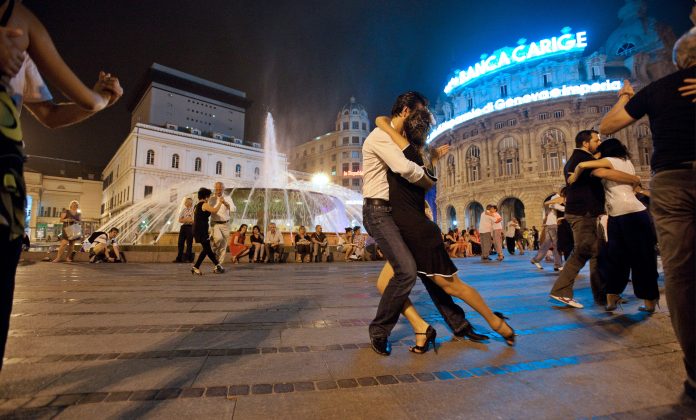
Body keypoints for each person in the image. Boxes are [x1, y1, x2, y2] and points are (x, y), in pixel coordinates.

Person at [0, 1, 123, 371]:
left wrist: (98, 100)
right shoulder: (16, 19)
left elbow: (51, 114)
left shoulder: (15, 18)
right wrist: (103, 97)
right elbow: (89, 100)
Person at [599, 30, 696, 400]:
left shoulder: (661, 88)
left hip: (671, 180)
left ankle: (695, 373)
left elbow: (607, 125)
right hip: (663, 185)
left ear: (675, 61)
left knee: (681, 274)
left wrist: (625, 96)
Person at [374, 108, 515, 353]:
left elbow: (383, 122)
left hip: (415, 233)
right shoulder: (423, 158)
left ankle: (495, 321)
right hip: (411, 232)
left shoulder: (407, 153)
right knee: (385, 284)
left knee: (452, 286)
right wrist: (434, 155)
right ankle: (421, 327)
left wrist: (385, 123)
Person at [363, 91, 485, 356]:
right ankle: (380, 329)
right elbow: (405, 169)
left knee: (427, 271)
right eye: (418, 115)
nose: (422, 122)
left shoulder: (401, 137)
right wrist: (429, 176)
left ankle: (452, 324)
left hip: (402, 214)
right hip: (379, 212)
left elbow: (411, 169)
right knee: (407, 271)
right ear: (405, 112)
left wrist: (430, 160)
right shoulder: (381, 136)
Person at [548, 130, 640, 309]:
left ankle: (603, 295)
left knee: (597, 253)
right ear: (585, 143)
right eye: (596, 141)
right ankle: (561, 291)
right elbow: (604, 174)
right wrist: (633, 179)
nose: (599, 143)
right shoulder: (580, 160)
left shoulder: (577, 158)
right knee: (582, 252)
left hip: (586, 212)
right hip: (584, 213)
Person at [568, 138, 659, 312]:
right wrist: (635, 178)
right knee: (637, 258)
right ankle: (626, 298)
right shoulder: (626, 163)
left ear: (606, 150)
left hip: (629, 214)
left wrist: (578, 169)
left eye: (599, 150)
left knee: (619, 258)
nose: (597, 154)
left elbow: (599, 172)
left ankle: (619, 298)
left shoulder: (611, 161)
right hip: (627, 215)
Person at [191, 187, 225, 275]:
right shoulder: (204, 204)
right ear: (206, 196)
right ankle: (217, 265)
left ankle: (198, 267)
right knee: (207, 249)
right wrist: (220, 202)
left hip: (199, 229)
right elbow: (215, 210)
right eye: (209, 196)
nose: (209, 197)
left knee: (207, 249)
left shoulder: (197, 205)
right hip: (201, 230)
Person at [530, 193, 565, 271]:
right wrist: (569, 208)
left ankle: (535, 260)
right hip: (553, 224)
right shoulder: (556, 197)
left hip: (550, 225)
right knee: (556, 245)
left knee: (546, 245)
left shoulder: (558, 198)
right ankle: (558, 265)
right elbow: (554, 206)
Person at [209, 182, 234, 264]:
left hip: (225, 223)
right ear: (214, 188)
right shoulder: (211, 199)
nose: (218, 190)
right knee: (218, 238)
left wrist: (225, 203)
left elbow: (233, 209)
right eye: (217, 189)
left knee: (224, 245)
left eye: (220, 189)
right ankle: (214, 250)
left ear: (223, 189)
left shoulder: (227, 198)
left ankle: (219, 264)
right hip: (215, 223)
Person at [173, 197, 194, 263]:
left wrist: (185, 219)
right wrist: (187, 219)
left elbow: (193, 220)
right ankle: (179, 258)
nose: (185, 203)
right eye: (185, 202)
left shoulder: (193, 210)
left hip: (190, 227)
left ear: (190, 203)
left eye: (186, 202)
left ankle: (187, 258)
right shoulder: (183, 210)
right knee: (180, 243)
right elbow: (180, 220)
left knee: (189, 243)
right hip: (183, 227)